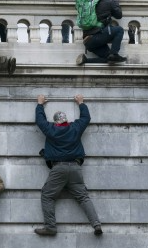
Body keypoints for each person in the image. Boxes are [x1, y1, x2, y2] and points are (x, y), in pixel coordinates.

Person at [34, 94, 101, 236]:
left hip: (59, 168)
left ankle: (51, 227)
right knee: (83, 197)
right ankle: (96, 224)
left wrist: (40, 104)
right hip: (76, 168)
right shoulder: (75, 128)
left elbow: (40, 121)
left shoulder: (51, 130)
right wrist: (81, 103)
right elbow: (86, 118)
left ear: (56, 122)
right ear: (66, 120)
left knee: (47, 195)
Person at [76, 0, 127, 65]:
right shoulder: (109, 1)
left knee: (108, 58)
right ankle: (114, 53)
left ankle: (85, 60)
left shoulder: (89, 1)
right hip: (98, 36)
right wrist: (115, 1)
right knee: (119, 30)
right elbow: (119, 15)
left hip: (87, 41)